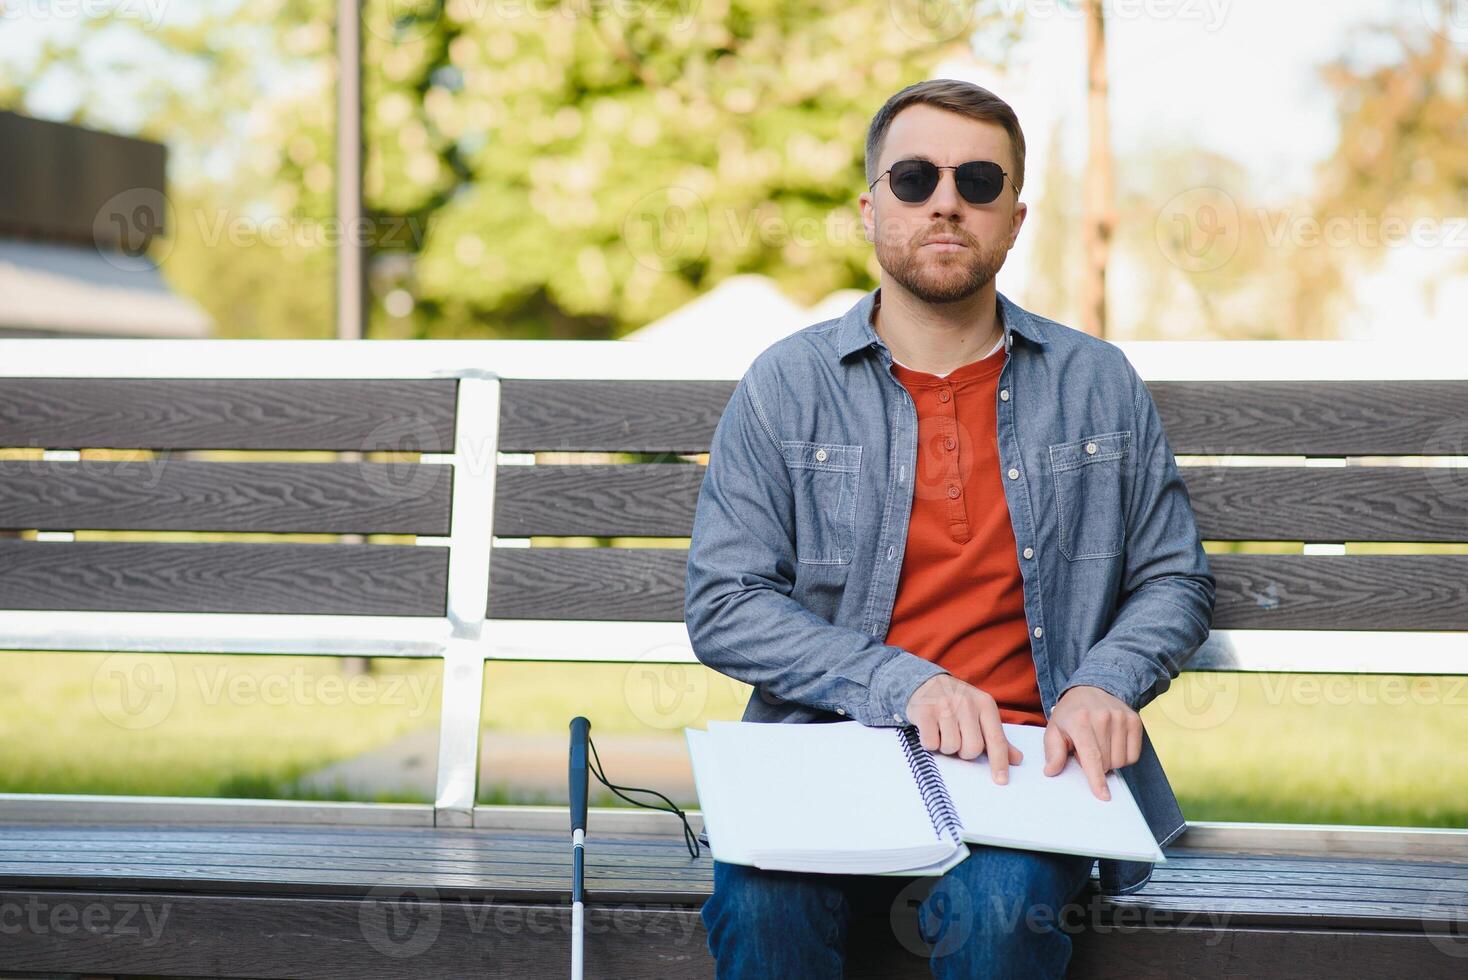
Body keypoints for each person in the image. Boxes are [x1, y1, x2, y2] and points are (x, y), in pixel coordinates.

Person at [683, 78, 1216, 978]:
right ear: (869, 207)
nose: (945, 202)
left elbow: (1175, 579)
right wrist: (905, 685)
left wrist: (1103, 685)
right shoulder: (787, 383)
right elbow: (726, 602)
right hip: (828, 756)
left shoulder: (1097, 382)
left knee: (999, 911)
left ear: (1013, 218)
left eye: (978, 182)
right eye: (914, 178)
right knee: (762, 904)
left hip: (1029, 768)